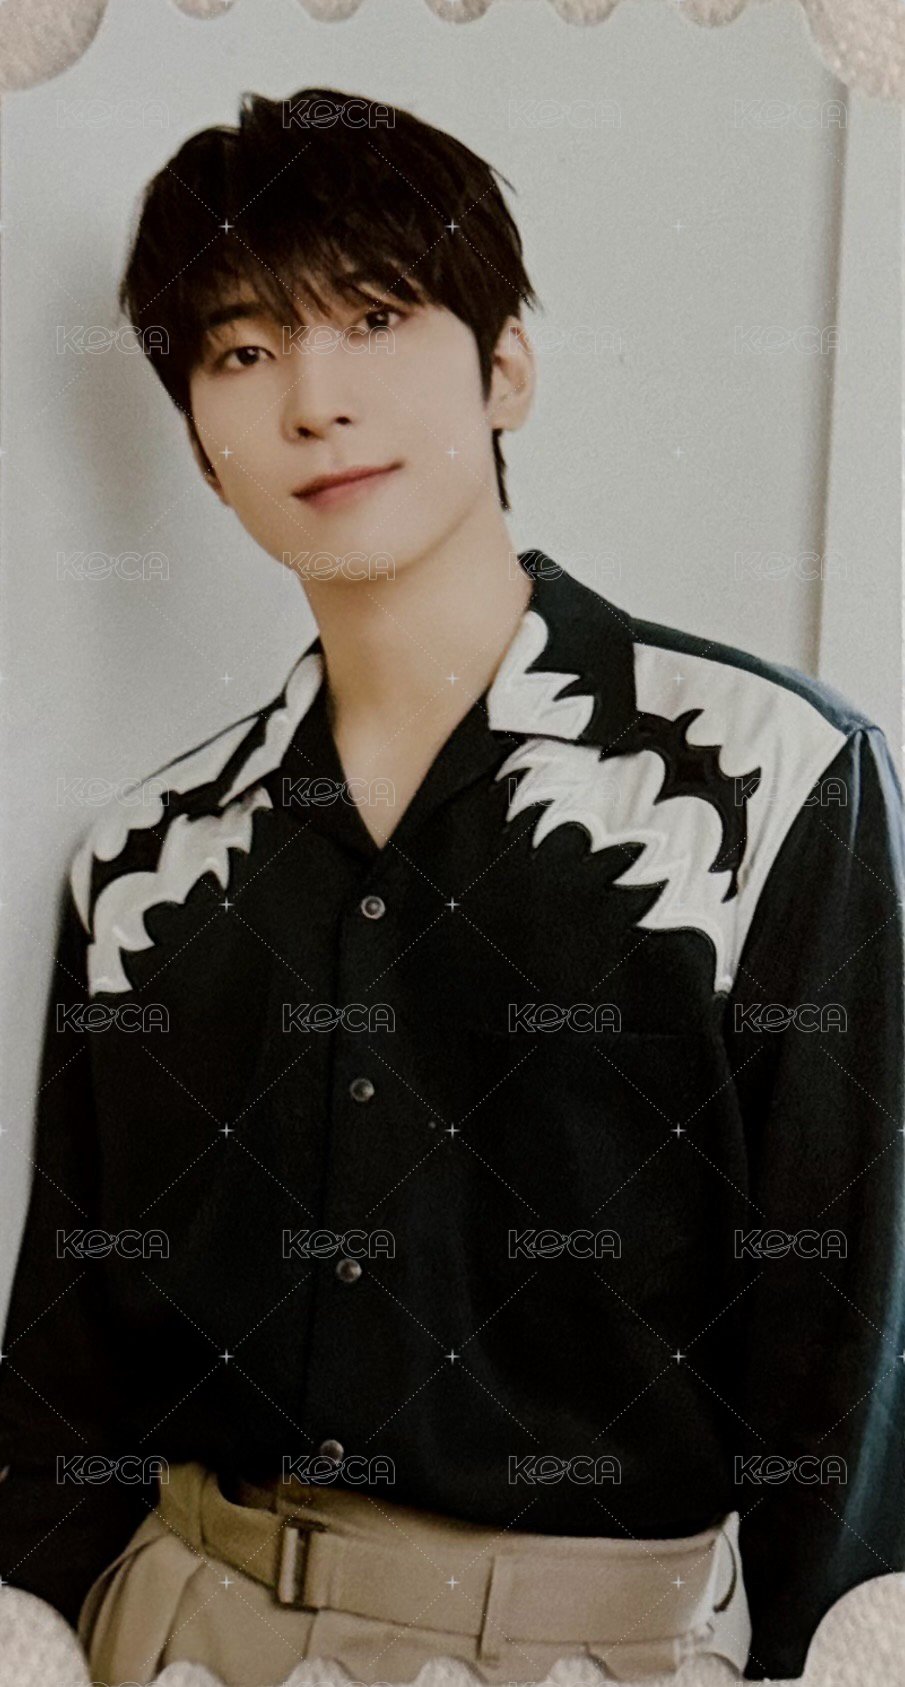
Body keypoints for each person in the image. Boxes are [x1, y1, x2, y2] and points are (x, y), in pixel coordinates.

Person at [0, 85, 902, 1687]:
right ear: (198, 444)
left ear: (504, 369)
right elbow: (64, 1375)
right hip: (171, 1630)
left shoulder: (767, 786)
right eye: (241, 351)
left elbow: (849, 1360)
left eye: (373, 316)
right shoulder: (143, 862)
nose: (314, 402)